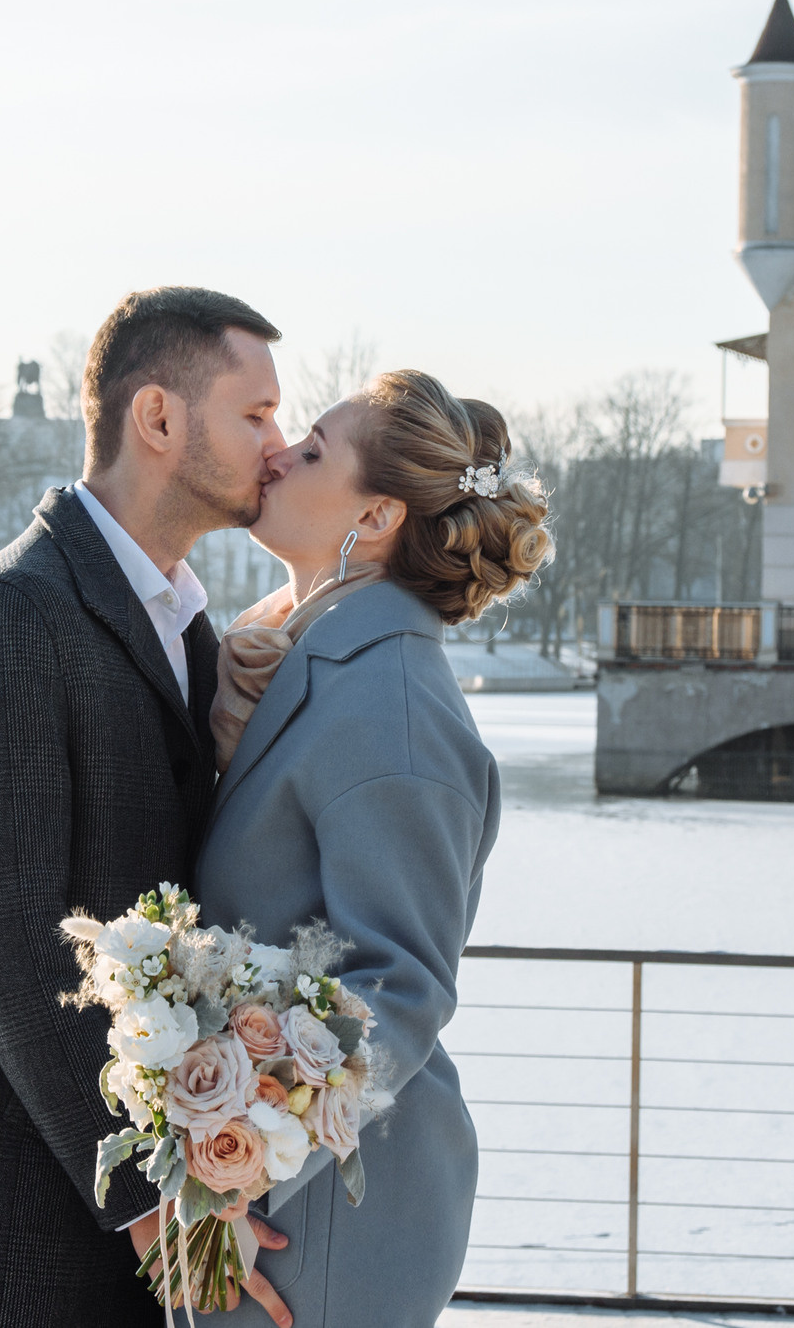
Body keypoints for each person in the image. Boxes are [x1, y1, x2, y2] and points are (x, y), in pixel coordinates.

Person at [0, 286, 301, 1328]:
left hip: (96, 1226)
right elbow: (9, 938)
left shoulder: (187, 630)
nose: (277, 445)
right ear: (158, 417)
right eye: (256, 413)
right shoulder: (9, 613)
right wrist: (148, 1199)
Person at [188, 369, 552, 1326]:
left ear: (378, 514)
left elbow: (398, 987)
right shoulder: (294, 662)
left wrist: (240, 1167)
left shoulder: (392, 704)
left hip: (329, 1218)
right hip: (271, 1199)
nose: (278, 455)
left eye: (313, 450)